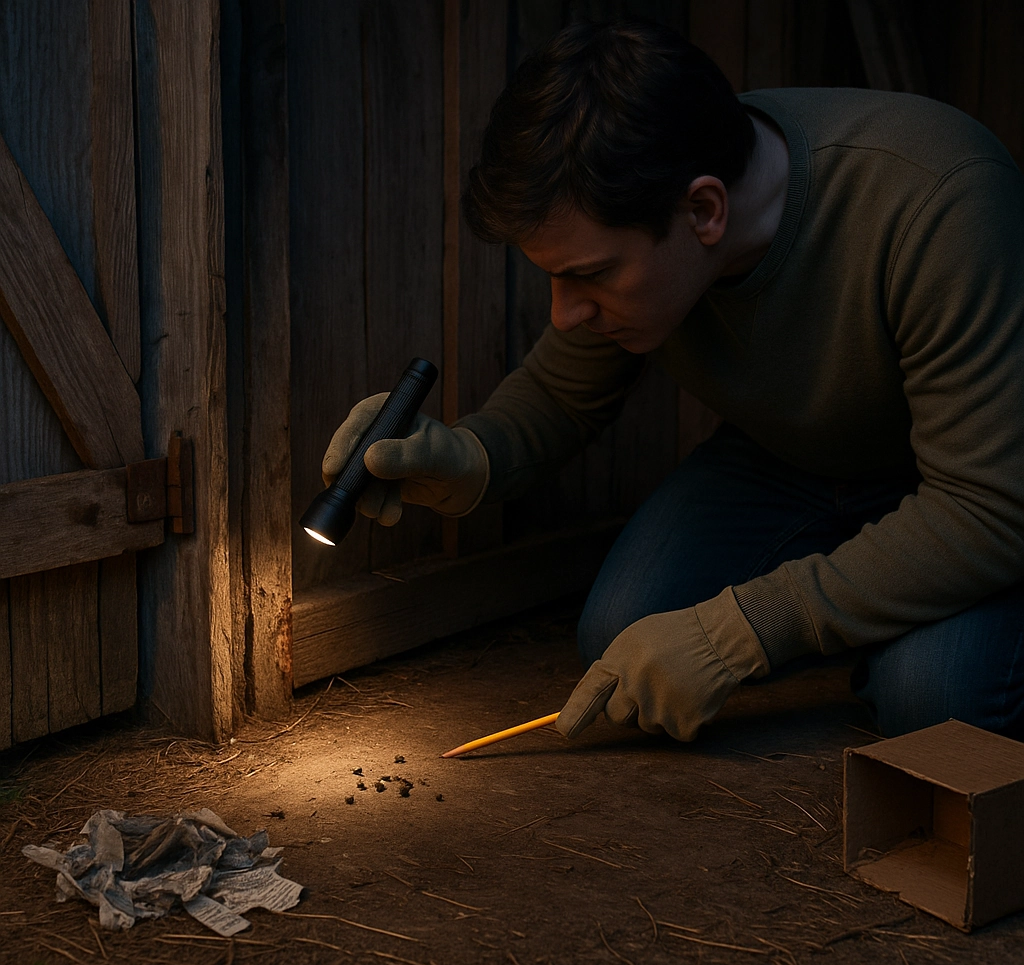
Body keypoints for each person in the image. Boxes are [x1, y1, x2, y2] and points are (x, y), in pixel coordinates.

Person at [322, 20, 1024, 744]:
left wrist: (744, 631)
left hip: (967, 486)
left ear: (705, 210)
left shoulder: (939, 200)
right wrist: (468, 458)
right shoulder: (647, 176)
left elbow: (989, 505)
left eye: (591, 275)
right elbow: (561, 394)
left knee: (935, 703)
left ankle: (902, 631)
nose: (563, 315)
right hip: (793, 460)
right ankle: (878, 609)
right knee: (624, 643)